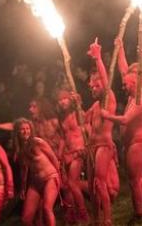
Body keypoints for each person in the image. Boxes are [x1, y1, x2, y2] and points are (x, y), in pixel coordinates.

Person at [101, 40, 142, 224]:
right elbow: (123, 69)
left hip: (139, 139)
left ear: (137, 77)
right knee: (137, 177)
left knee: (136, 178)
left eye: (129, 78)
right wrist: (121, 49)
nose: (125, 83)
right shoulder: (134, 94)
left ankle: (141, 212)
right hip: (132, 140)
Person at [84, 40, 121, 225]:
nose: (93, 88)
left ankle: (107, 219)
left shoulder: (109, 99)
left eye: (96, 86)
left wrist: (98, 58)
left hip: (103, 146)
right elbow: (82, 120)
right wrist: (74, 104)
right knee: (92, 187)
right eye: (91, 87)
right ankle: (95, 220)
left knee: (100, 183)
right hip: (91, 147)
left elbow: (106, 84)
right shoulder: (95, 106)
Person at [13, 118, 60, 226]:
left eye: (27, 128)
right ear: (17, 132)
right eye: (22, 129)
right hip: (35, 183)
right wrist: (23, 189)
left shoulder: (38, 142)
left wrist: (60, 177)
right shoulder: (19, 150)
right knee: (26, 219)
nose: (26, 131)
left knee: (46, 208)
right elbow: (24, 171)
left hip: (50, 178)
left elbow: (53, 158)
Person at [56, 90, 89, 223]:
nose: (62, 102)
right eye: (60, 100)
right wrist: (59, 155)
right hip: (67, 154)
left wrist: (79, 104)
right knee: (68, 185)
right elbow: (64, 138)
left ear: (70, 100)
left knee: (72, 183)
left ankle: (83, 213)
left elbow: (87, 127)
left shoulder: (79, 113)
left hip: (79, 151)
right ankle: (73, 213)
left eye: (65, 99)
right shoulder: (62, 118)